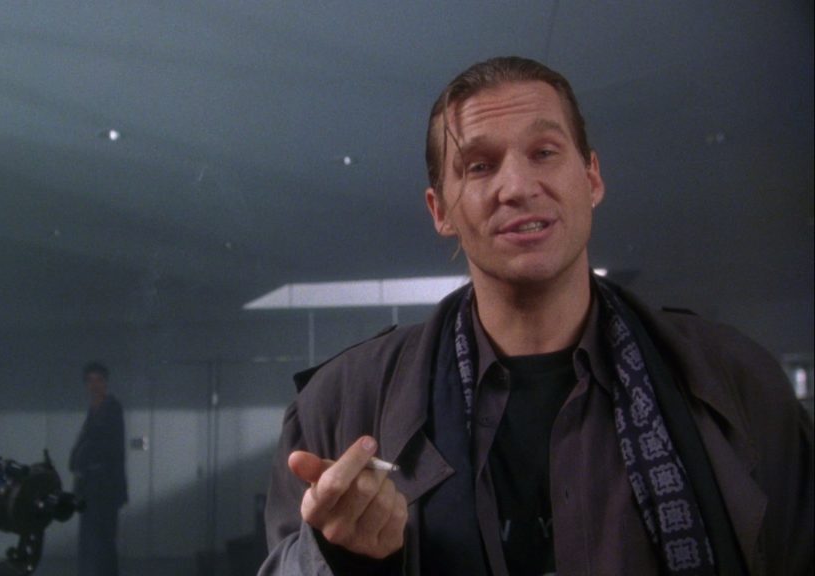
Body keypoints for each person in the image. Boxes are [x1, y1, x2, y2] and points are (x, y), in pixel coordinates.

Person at [261, 56, 814, 575]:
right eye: (480, 166)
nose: (519, 187)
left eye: (544, 152)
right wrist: (336, 558)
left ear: (591, 178)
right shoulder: (345, 404)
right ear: (441, 210)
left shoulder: (732, 382)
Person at [69, 361, 128, 576]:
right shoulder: (94, 410)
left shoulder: (111, 409)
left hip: (104, 487)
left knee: (103, 540)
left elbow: (107, 447)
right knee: (91, 539)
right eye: (90, 381)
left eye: (99, 380)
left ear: (106, 383)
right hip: (91, 486)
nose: (94, 386)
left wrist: (82, 460)